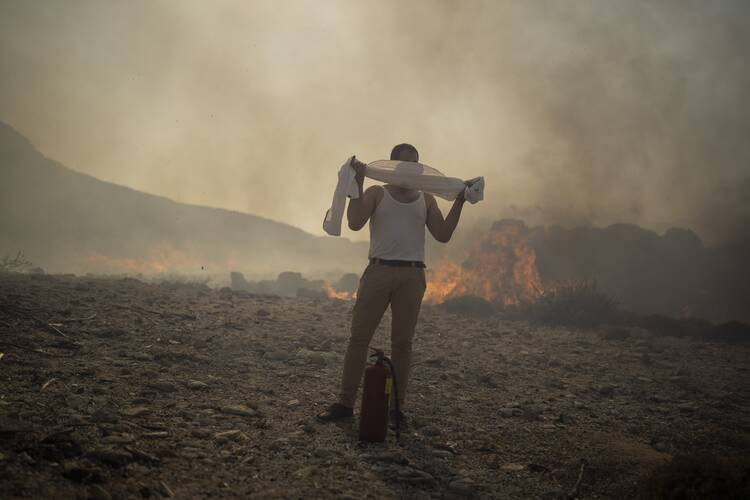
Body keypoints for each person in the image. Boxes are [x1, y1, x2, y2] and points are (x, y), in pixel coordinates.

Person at [317, 143, 470, 424]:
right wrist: (359, 183)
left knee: (402, 344)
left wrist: (459, 201)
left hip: (412, 275)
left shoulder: (426, 200)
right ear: (393, 166)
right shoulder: (378, 193)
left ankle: (396, 408)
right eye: (404, 163)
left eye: (414, 163)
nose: (409, 169)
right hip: (378, 271)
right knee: (359, 339)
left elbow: (444, 234)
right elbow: (354, 223)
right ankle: (345, 403)